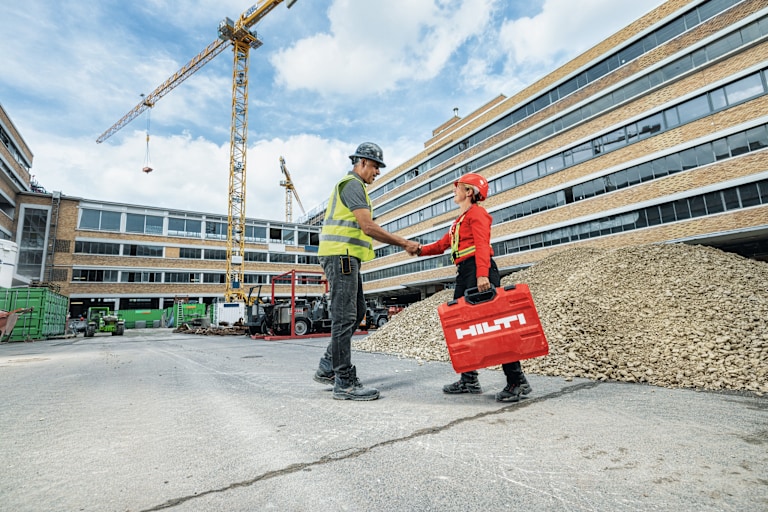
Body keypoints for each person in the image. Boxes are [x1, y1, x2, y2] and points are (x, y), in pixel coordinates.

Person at [407, 172, 532, 402]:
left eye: (458, 187)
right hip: (465, 272)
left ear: (469, 192)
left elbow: (482, 244)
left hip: (479, 270)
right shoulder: (460, 221)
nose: (454, 191)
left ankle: (517, 381)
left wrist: (482, 275)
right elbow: (442, 245)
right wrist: (419, 250)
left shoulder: (478, 214)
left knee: (496, 327)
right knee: (461, 325)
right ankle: (469, 379)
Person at [314, 142, 420, 401]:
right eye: (375, 166)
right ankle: (344, 381)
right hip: (341, 256)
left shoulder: (356, 187)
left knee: (358, 311)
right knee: (344, 316)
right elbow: (367, 227)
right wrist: (404, 243)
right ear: (361, 163)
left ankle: (329, 366)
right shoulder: (352, 185)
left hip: (346, 257)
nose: (378, 172)